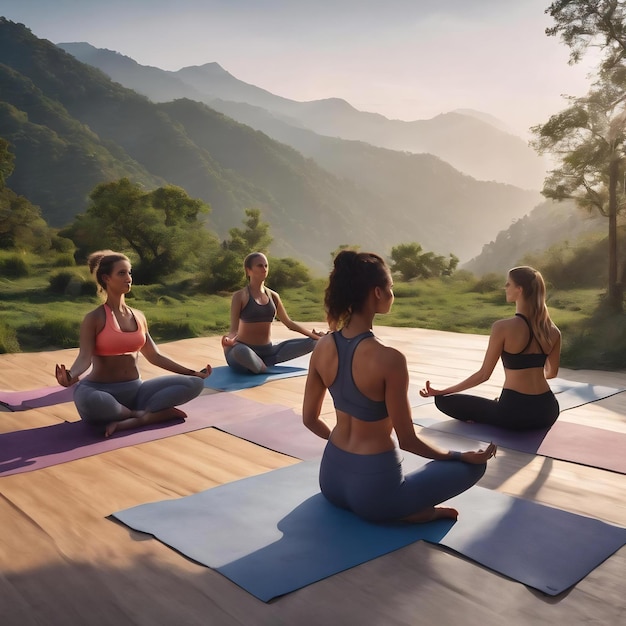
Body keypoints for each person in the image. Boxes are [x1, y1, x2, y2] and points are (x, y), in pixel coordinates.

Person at [302, 250, 496, 524]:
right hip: (374, 495)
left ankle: (398, 508)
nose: (393, 293)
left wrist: (345, 455)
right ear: (377, 293)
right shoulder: (389, 359)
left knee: (430, 470)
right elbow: (408, 440)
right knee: (473, 467)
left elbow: (309, 419)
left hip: (331, 479)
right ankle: (413, 514)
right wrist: (459, 455)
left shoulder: (322, 346)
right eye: (391, 287)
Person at [55, 250, 211, 437]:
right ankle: (144, 415)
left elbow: (155, 356)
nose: (128, 278)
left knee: (194, 384)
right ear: (106, 278)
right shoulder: (94, 318)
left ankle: (133, 419)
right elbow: (84, 358)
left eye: (129, 273)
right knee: (90, 400)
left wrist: (192, 372)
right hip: (100, 391)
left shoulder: (139, 316)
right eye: (121, 273)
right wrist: (70, 375)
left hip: (136, 391)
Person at [420, 266, 561, 431]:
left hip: (515, 414)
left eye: (508, 284)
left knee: (443, 401)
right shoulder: (553, 331)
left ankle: (488, 413)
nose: (505, 288)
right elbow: (551, 374)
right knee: (491, 405)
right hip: (548, 411)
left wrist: (442, 391)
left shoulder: (503, 327)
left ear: (519, 290)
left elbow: (483, 375)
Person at [222, 252, 324, 374]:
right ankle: (262, 368)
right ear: (248, 270)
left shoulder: (273, 296)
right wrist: (228, 339)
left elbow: (289, 323)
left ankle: (259, 365)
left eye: (266, 265)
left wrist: (316, 337)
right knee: (240, 352)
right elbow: (234, 329)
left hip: (268, 352)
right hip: (244, 349)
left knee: (314, 343)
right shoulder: (240, 296)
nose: (264, 269)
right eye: (260, 266)